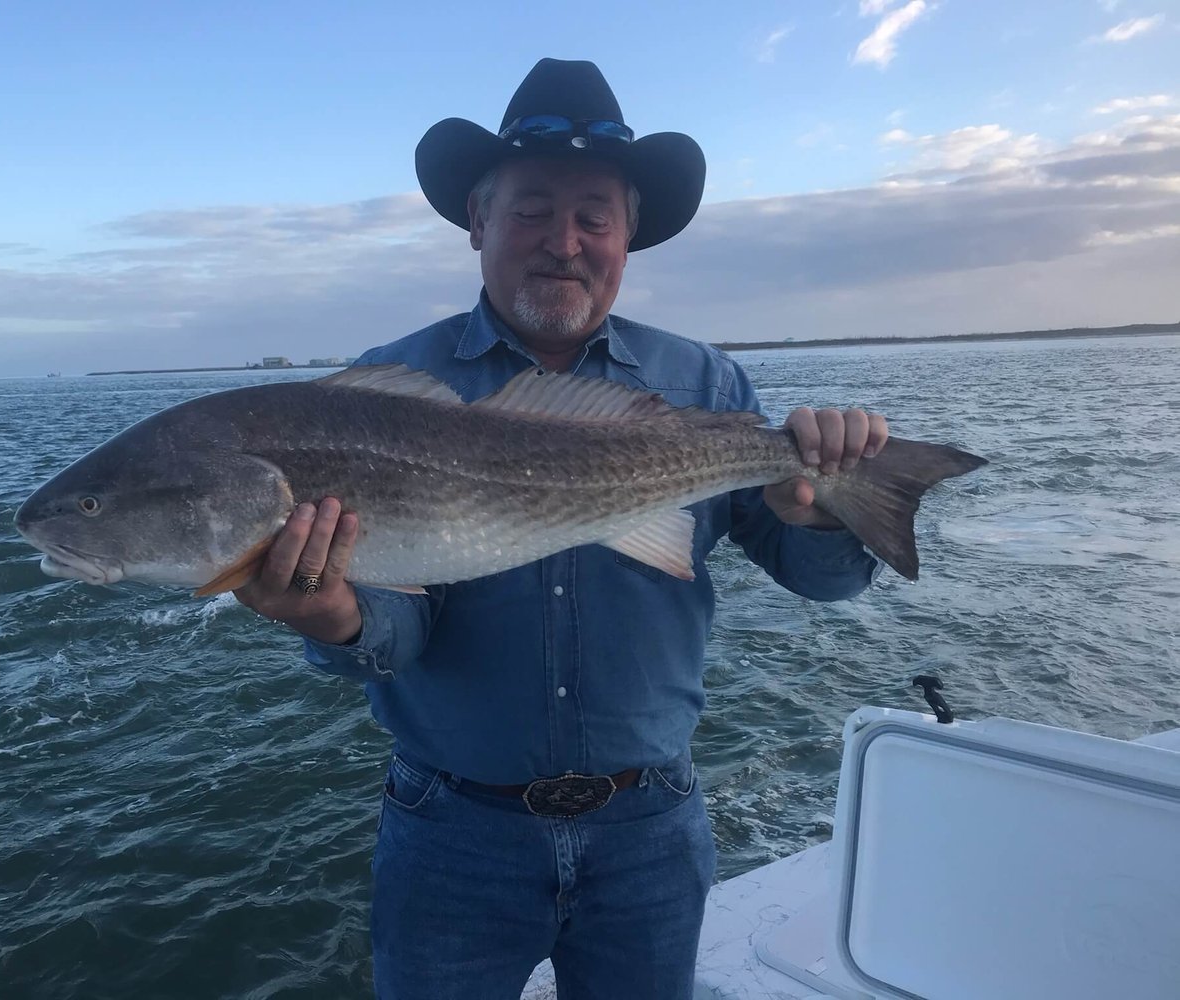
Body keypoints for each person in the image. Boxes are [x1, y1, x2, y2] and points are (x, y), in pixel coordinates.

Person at [237, 59, 888, 1000]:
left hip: (651, 828)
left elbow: (821, 581)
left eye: (595, 216)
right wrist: (329, 616)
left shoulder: (703, 385)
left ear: (628, 237)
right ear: (477, 221)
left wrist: (822, 508)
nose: (564, 242)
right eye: (531, 210)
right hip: (453, 833)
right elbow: (398, 627)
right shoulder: (374, 395)